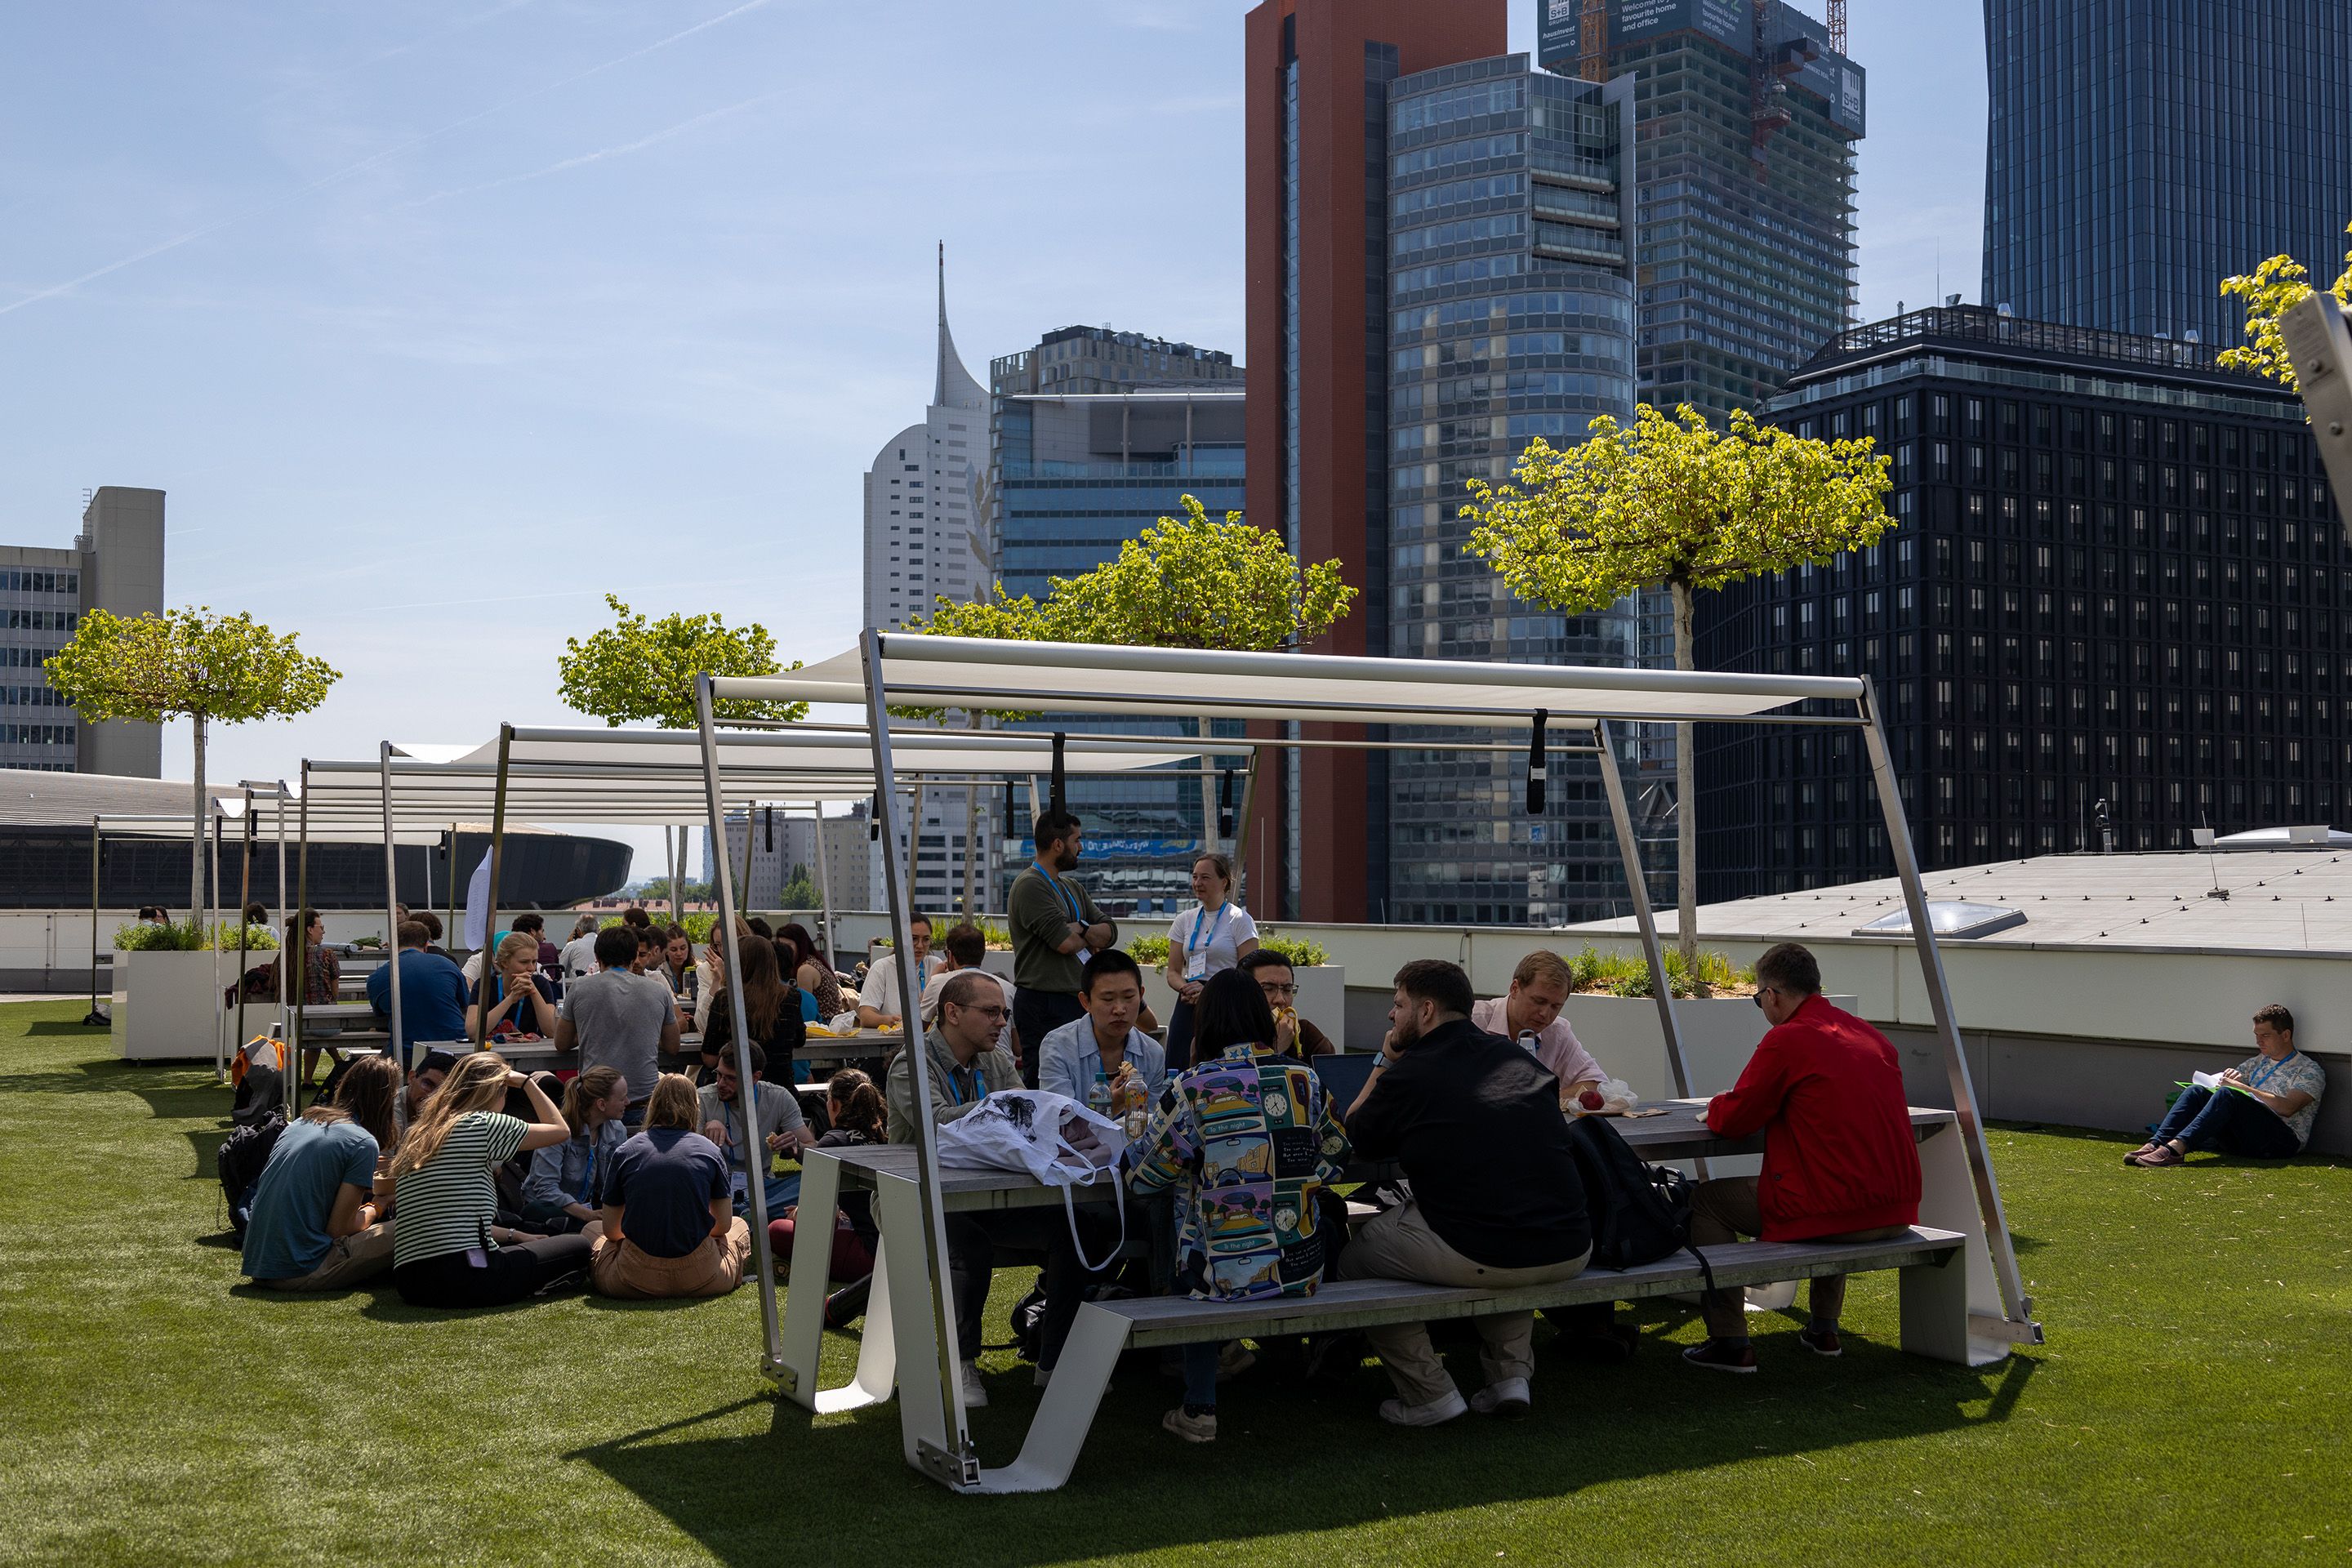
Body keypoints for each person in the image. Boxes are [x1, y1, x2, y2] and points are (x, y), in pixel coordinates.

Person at [1341, 960, 1593, 1425]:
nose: (1390, 1018)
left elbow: (1355, 1134)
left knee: (1356, 1257)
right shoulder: (1520, 1058)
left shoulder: (1410, 1073)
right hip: (1571, 1244)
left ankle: (1429, 1394)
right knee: (1503, 1232)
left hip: (1484, 1249)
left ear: (1427, 1010)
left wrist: (1384, 1061)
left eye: (1398, 1006)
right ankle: (1511, 1378)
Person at [1128, 969, 1349, 1443]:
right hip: (1299, 1266)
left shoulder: (1195, 1085)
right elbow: (1336, 1155)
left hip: (1216, 1276)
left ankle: (1199, 1407)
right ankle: (1278, 1367)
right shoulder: (1303, 1077)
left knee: (1188, 1245)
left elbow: (1147, 1177)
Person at [1683, 942, 1922, 1372]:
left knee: (1706, 1202)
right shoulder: (1871, 1037)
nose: (1761, 1007)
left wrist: (1718, 1103)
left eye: (1757, 999)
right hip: (1895, 1209)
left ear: (1772, 994)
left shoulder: (1788, 1039)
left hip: (1835, 1214)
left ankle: (1729, 1340)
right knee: (1836, 1182)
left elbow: (1735, 1119)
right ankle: (1824, 1327)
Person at [885, 969, 1022, 1405]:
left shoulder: (996, 1060)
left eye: (1004, 1012)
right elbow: (936, 1124)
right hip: (916, 1199)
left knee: (1081, 1229)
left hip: (990, 1193)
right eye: (991, 1012)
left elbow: (1028, 1116)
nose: (1002, 1022)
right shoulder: (912, 1062)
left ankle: (1053, 1354)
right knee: (967, 1246)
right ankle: (961, 1363)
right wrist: (1000, 1107)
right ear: (952, 1013)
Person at [386, 1053, 590, 1307]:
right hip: (465, 1276)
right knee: (580, 1245)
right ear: (497, 1090)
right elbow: (561, 1131)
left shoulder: (419, 1132)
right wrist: (528, 1084)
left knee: (528, 1244)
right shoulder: (483, 1123)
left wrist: (518, 1235)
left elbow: (454, 1221)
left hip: (411, 1282)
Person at [240, 1055, 403, 1290]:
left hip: (259, 1265)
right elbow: (339, 1229)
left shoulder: (300, 1122)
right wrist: (379, 1204)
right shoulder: (362, 1142)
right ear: (386, 1101)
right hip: (302, 1268)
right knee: (416, 1226)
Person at [590, 1073, 754, 1298]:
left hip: (633, 1278)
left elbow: (611, 1230)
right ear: (694, 1107)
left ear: (653, 1104)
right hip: (703, 1275)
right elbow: (722, 1226)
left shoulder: (625, 1151)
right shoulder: (710, 1151)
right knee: (739, 1224)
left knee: (590, 1230)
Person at [2128, 1003, 2326, 1167]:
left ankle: (2175, 1150)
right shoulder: (2257, 1062)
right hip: (2244, 1138)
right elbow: (2230, 1088)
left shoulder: (2309, 1070)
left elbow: (2288, 1108)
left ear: (2285, 1035)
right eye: (2256, 1035)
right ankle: (2155, 1144)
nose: (2259, 1041)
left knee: (2228, 1095)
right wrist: (2229, 1078)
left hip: (2281, 1142)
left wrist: (2242, 1088)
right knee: (2196, 1091)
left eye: (2265, 1036)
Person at [1009, 809, 1118, 1089]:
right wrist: (1088, 935)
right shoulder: (1030, 885)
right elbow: (1065, 943)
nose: (1080, 847)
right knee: (1043, 1084)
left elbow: (1110, 931)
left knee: (1084, 1081)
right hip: (1042, 1002)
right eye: (1077, 840)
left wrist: (1080, 927)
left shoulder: (1071, 886)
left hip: (1074, 1000)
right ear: (1058, 844)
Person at [768, 1067, 888, 1281]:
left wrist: (796, 1214)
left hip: (868, 1255)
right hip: (896, 1245)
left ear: (833, 1104)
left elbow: (816, 1216)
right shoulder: (884, 1135)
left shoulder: (834, 1140)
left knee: (777, 1230)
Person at [555, 924, 680, 1120]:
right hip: (645, 1104)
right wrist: (645, 1034)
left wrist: (592, 1030)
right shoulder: (658, 990)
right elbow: (673, 1046)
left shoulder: (580, 988)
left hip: (596, 1105)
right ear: (634, 956)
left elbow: (561, 1043)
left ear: (597, 957)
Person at [1161, 853, 1259, 1069]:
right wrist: (1187, 989)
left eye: (1205, 877)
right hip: (1189, 998)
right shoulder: (1184, 919)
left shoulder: (1240, 919)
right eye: (1195, 877)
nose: (1198, 883)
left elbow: (1249, 972)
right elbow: (1173, 972)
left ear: (1224, 882)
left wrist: (1210, 992)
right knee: (1179, 1061)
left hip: (1226, 1001)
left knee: (1219, 1064)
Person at [1038, 948, 1166, 1111]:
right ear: (1086, 1002)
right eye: (1108, 999)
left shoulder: (1152, 1053)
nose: (1119, 1009)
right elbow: (1061, 1122)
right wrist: (1111, 1106)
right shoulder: (1058, 1047)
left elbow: (1153, 1122)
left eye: (1128, 997)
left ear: (1141, 996)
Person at [1470, 950, 1605, 1101]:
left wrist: (1540, 1101)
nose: (1545, 1014)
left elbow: (1597, 1084)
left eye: (1555, 1006)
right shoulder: (1473, 1022)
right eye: (1539, 1001)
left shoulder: (1557, 1032)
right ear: (1515, 989)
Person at [697, 1044, 809, 1218]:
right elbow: (686, 1157)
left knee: (813, 1183)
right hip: (718, 1186)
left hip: (761, 1185)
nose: (720, 1083)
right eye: (718, 1075)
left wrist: (796, 1146)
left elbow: (815, 1152)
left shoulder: (778, 1097)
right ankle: (759, 1214)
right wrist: (704, 1133)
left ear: (755, 1077)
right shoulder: (703, 1099)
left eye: (730, 1078)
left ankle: (743, 1215)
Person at [522, 1066, 630, 1233]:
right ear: (601, 1104)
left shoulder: (617, 1130)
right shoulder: (559, 1131)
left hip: (588, 1204)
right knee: (545, 1212)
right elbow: (545, 1188)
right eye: (622, 1098)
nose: (628, 1103)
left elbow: (618, 1182)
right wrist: (587, 1215)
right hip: (552, 1207)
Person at [702, 933, 803, 1088]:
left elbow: (709, 1058)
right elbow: (799, 1040)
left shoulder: (726, 998)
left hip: (735, 1092)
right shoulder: (791, 997)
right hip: (780, 1089)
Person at [364, 920, 470, 1064]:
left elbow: (380, 1015)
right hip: (455, 1046)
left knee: (380, 1061)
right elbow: (464, 1004)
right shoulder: (448, 965)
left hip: (407, 1052)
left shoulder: (378, 977)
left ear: (393, 945)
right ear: (426, 945)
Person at [920, 923, 1014, 1052]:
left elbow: (918, 1030)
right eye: (991, 1012)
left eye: (1000, 1013)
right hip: (1006, 1065)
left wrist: (933, 977)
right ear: (983, 953)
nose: (1001, 1022)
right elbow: (1017, 1047)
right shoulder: (1009, 988)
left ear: (950, 955)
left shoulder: (939, 982)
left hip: (959, 1064)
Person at [281, 907, 343, 1085]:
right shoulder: (327, 954)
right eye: (321, 927)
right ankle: (339, 1063)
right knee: (324, 1022)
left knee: (315, 1032)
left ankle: (309, 1080)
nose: (323, 931)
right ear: (310, 929)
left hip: (297, 1023)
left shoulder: (288, 955)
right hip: (328, 1024)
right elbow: (335, 993)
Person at [1237, 949, 1336, 1057]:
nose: (1280, 1000)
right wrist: (1275, 1050)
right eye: (1268, 988)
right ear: (1243, 993)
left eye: (1287, 990)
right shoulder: (1228, 1035)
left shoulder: (1306, 1035)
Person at [466, 932, 559, 1043]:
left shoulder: (540, 983)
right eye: (524, 962)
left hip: (529, 1053)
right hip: (491, 1052)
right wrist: (510, 999)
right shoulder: (485, 985)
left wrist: (533, 992)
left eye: (534, 962)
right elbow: (472, 1032)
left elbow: (552, 1032)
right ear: (505, 963)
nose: (531, 968)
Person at [858, 912, 942, 1030]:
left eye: (926, 939)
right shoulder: (881, 968)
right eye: (914, 939)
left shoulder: (936, 965)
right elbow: (866, 1016)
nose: (920, 945)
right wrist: (889, 1021)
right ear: (901, 939)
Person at [781, 921, 847, 1021]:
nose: (783, 950)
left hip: (823, 1026)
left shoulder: (805, 970)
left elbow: (805, 1011)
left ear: (800, 945)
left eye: (788, 946)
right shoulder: (814, 961)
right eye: (780, 946)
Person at [399, 1047, 456, 1132]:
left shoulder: (449, 1109)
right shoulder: (391, 1109)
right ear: (411, 1077)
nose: (432, 1096)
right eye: (428, 1084)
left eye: (441, 1091)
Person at [558, 915, 601, 982]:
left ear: (577, 931)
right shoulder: (606, 944)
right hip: (601, 984)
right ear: (598, 929)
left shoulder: (572, 945)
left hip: (576, 985)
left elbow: (560, 968)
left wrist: (568, 945)